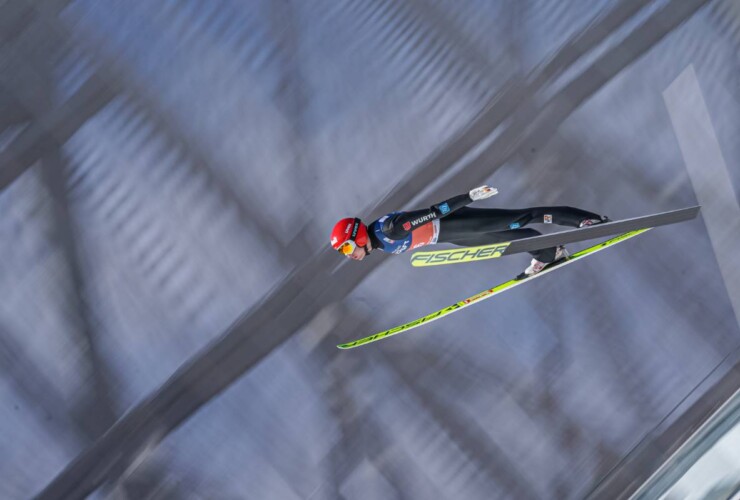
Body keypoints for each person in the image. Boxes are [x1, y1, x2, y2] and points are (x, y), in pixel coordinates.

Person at [330, 186, 609, 277]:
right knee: (507, 241)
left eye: (346, 247)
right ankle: (550, 253)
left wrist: (470, 196)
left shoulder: (390, 229)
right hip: (451, 237)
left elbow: (435, 211)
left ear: (358, 236)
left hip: (454, 223)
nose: (348, 254)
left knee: (522, 218)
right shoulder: (381, 241)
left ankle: (586, 221)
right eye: (343, 252)